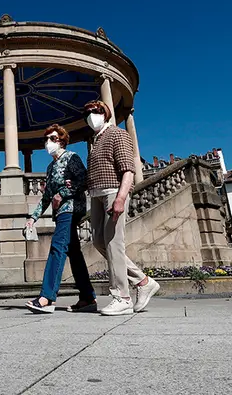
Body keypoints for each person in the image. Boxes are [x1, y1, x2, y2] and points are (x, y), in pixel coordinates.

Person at [83, 100, 160, 315]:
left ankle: (122, 296)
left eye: (96, 111)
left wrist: (121, 197)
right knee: (100, 241)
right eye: (87, 113)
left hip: (113, 192)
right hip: (96, 195)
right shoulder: (94, 140)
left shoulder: (117, 134)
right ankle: (143, 281)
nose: (91, 115)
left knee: (114, 243)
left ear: (105, 113)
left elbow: (128, 169)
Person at [24, 125, 97, 314]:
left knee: (57, 247)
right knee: (74, 253)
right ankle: (88, 297)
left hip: (71, 209)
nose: (49, 142)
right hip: (61, 212)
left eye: (53, 138)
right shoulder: (51, 167)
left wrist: (63, 193)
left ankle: (47, 297)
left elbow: (84, 180)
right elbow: (47, 196)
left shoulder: (71, 157)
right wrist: (33, 218)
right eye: (46, 139)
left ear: (63, 140)